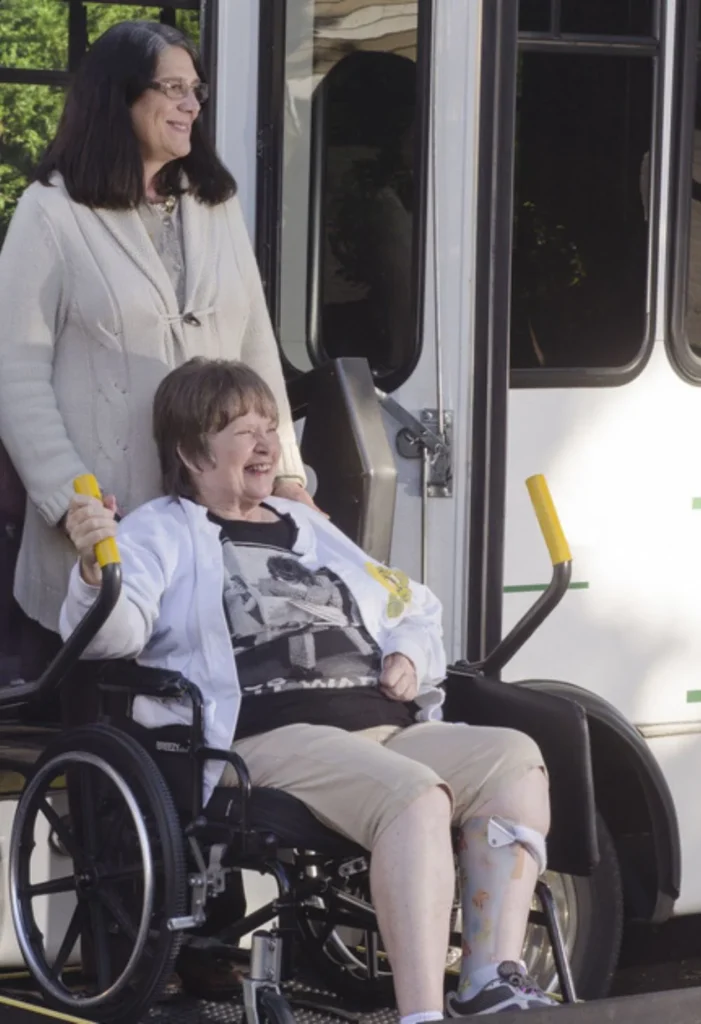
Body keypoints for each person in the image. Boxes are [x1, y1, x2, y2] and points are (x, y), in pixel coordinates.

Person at [61, 358, 557, 1018]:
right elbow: (114, 635)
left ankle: (487, 979)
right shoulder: (160, 530)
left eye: (270, 427)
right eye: (242, 430)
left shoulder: (307, 526)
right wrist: (96, 572)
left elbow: (409, 603)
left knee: (514, 759)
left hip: (379, 723)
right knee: (414, 797)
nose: (266, 443)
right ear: (192, 452)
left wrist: (409, 652)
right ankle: (421, 1014)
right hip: (266, 735)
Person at [0, 20, 314, 681]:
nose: (191, 104)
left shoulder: (214, 204)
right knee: (110, 705)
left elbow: (255, 349)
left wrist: (286, 474)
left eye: (195, 90)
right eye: (173, 88)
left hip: (218, 520)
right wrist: (71, 501)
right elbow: (15, 372)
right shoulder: (50, 212)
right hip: (106, 530)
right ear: (119, 97)